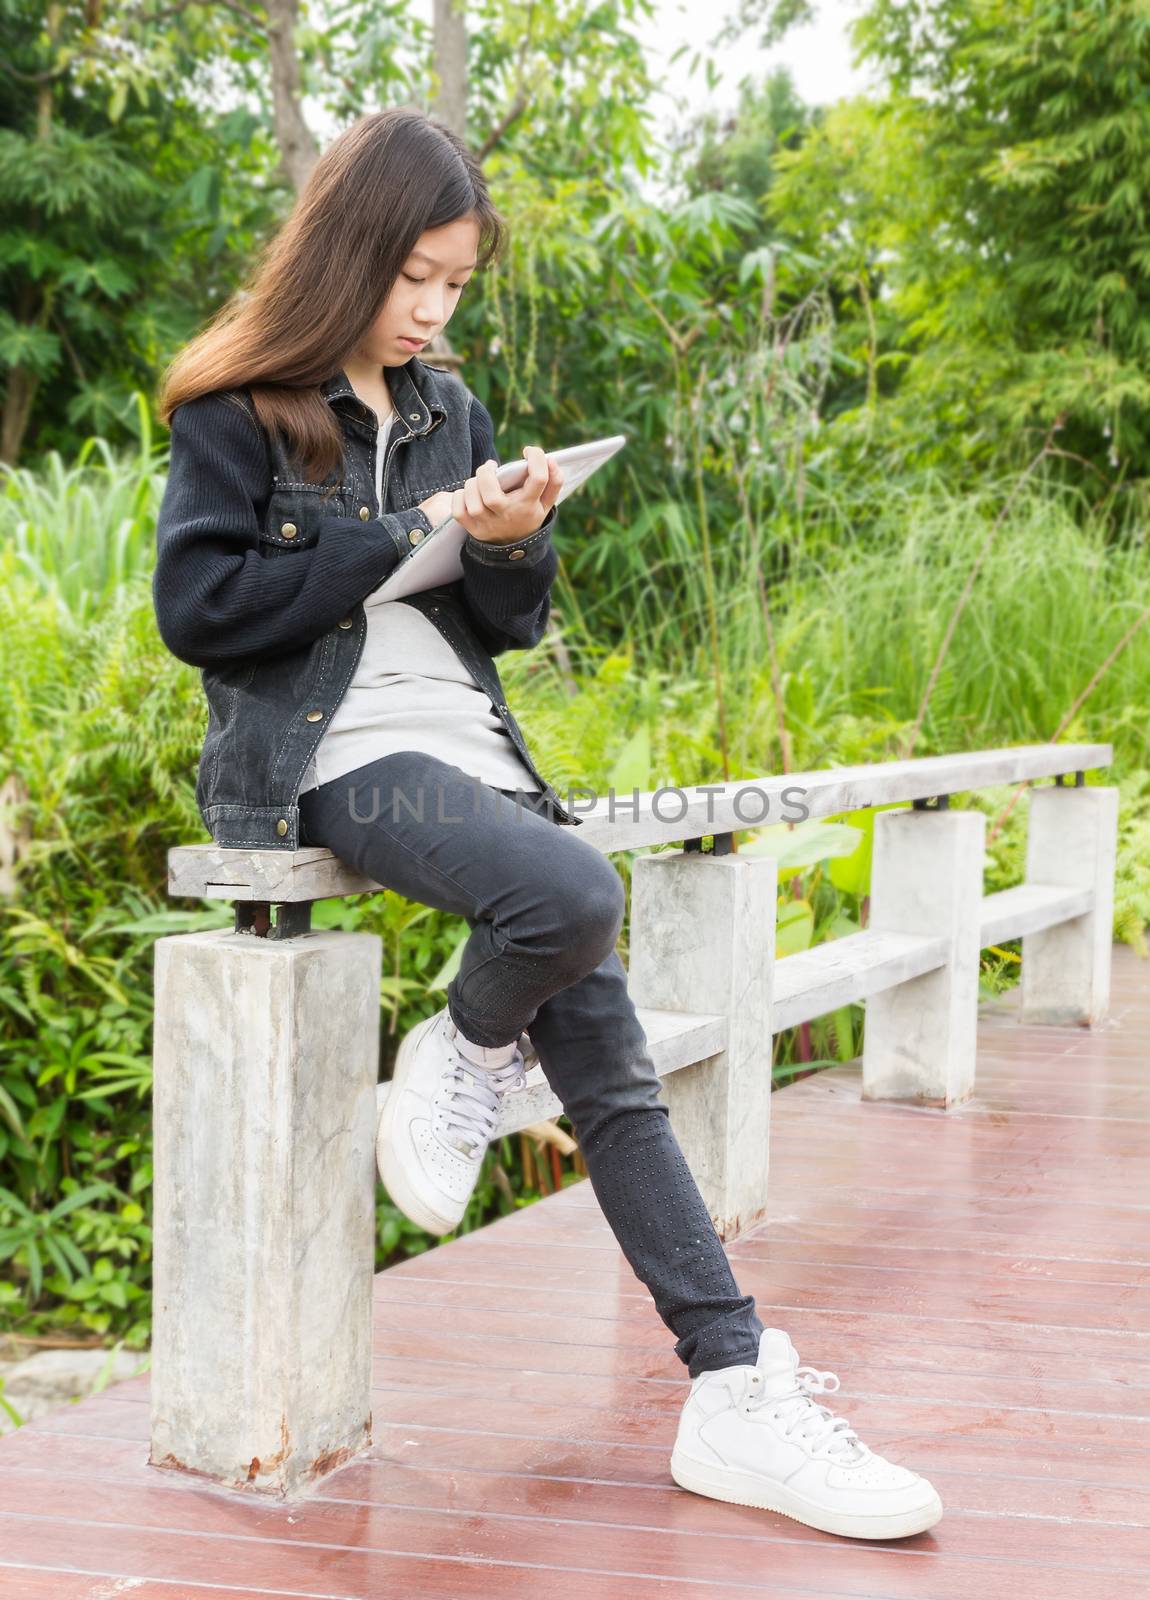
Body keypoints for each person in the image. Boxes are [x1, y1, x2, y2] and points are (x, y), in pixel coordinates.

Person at [151, 104, 942, 1542]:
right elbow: (198, 614)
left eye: (457, 283)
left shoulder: (448, 407)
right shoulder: (239, 405)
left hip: (463, 742)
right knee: (569, 896)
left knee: (611, 1062)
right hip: (329, 757)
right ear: (351, 251)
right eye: (417, 280)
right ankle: (459, 1042)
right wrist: (394, 536)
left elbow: (501, 627)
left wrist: (512, 541)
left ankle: (732, 1385)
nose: (436, 310)